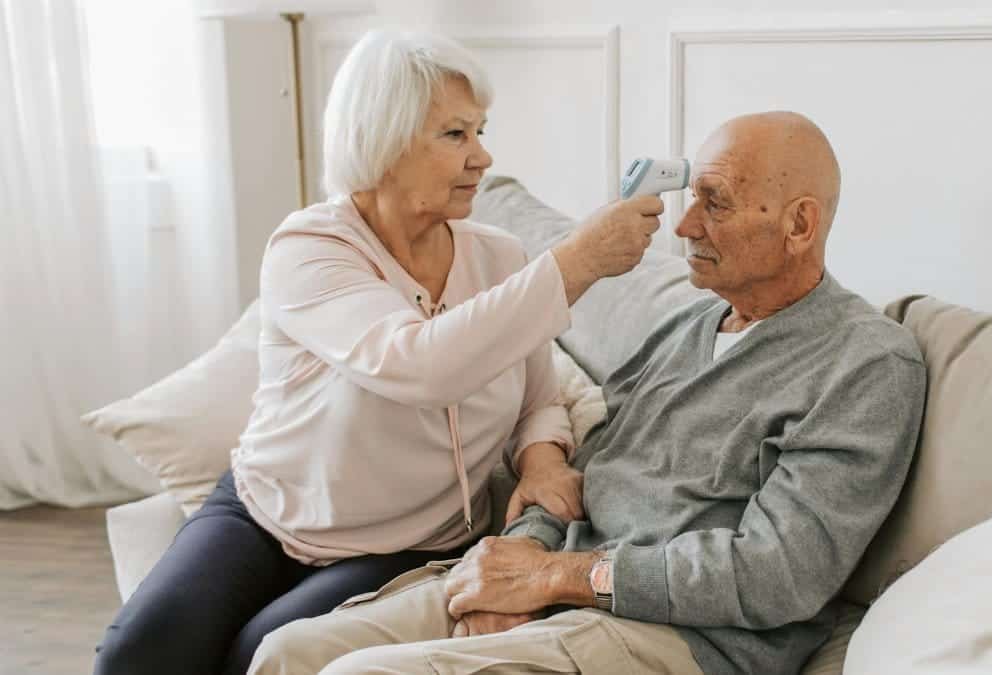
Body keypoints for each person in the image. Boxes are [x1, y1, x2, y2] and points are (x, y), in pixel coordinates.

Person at [248, 111, 928, 675]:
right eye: (692, 198)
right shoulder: (692, 324)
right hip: (563, 585)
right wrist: (518, 559)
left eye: (713, 202)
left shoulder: (866, 363)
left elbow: (778, 572)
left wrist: (564, 578)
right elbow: (589, 469)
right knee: (287, 654)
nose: (684, 226)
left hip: (674, 636)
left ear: (799, 225)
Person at [93, 30, 664, 675]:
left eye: (480, 131)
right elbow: (417, 363)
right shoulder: (310, 249)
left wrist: (540, 461)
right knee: (137, 653)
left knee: (261, 654)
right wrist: (578, 261)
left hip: (412, 542)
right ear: (384, 141)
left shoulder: (500, 257)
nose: (483, 157)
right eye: (456, 135)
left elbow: (538, 397)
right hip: (265, 516)